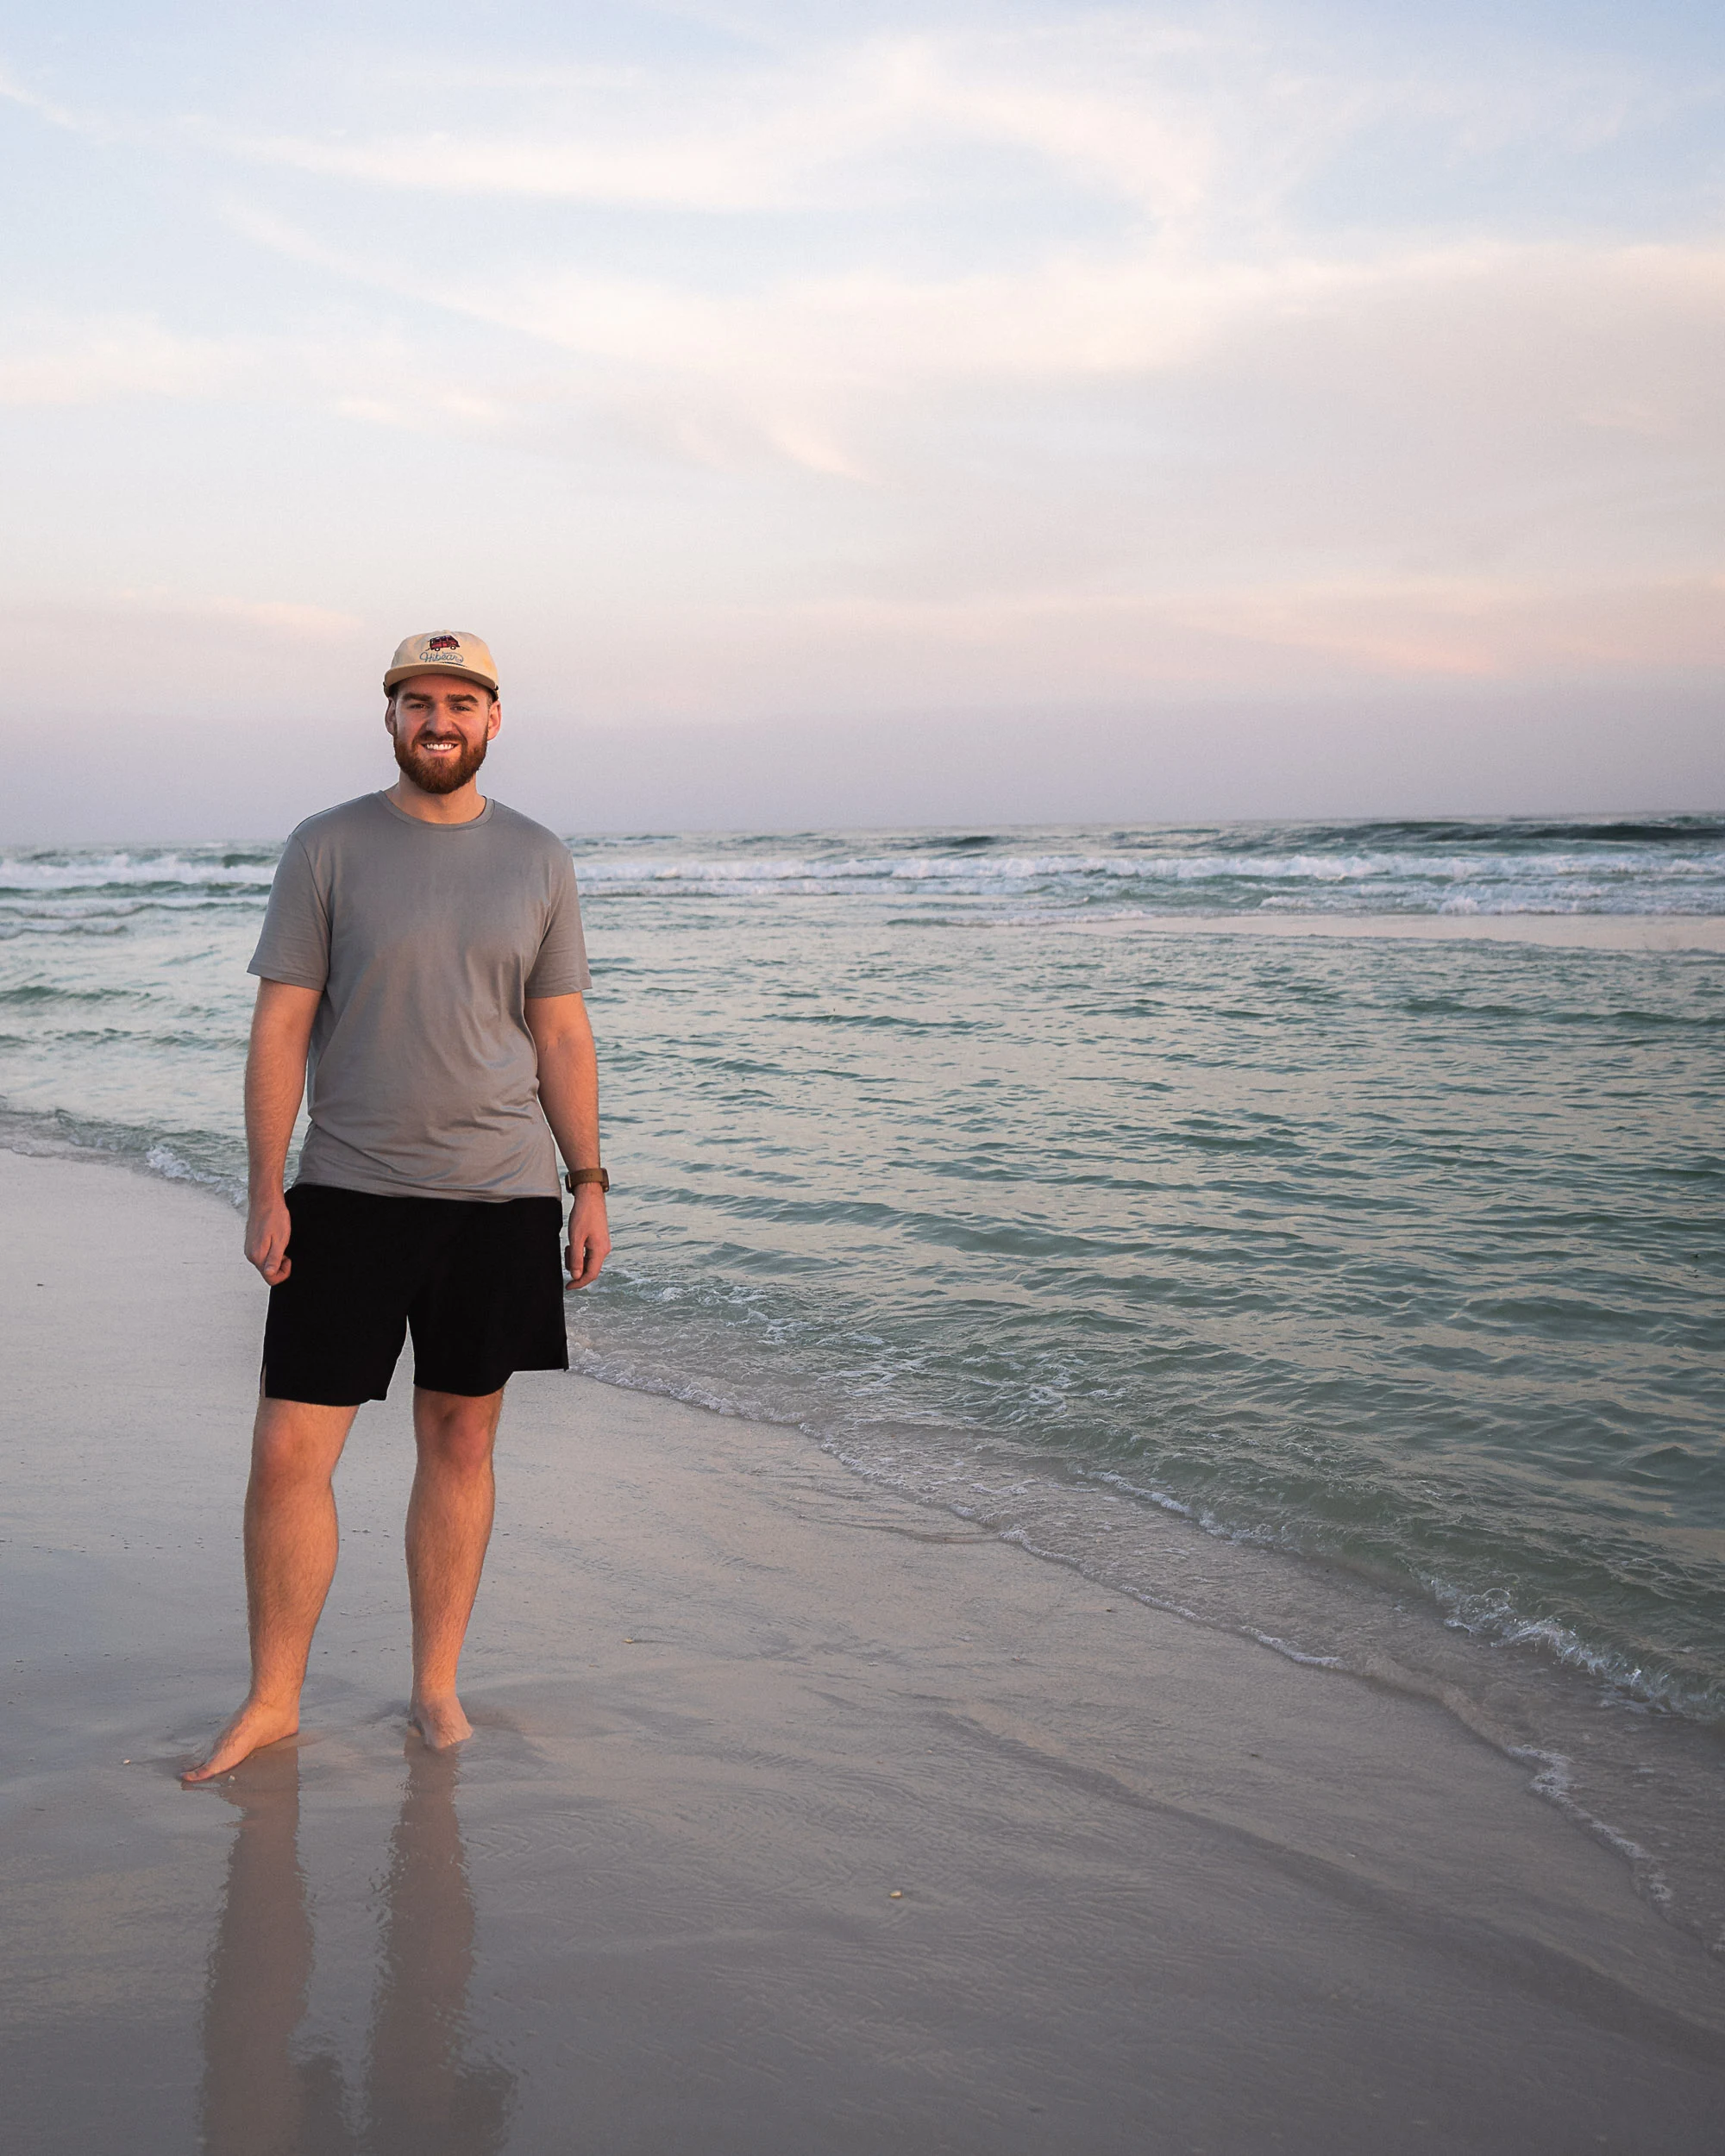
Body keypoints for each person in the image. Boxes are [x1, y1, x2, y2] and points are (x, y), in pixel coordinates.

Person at [184, 631, 610, 1783]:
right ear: (389, 719)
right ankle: (274, 1700)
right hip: (349, 1191)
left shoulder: (538, 857)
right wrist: (266, 1184)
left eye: (460, 701)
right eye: (417, 701)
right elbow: (282, 1022)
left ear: (493, 718)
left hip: (499, 1195)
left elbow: (562, 1030)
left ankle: (435, 1691)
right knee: (288, 1447)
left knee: (462, 1436)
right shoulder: (326, 847)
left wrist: (589, 1182)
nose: (439, 720)